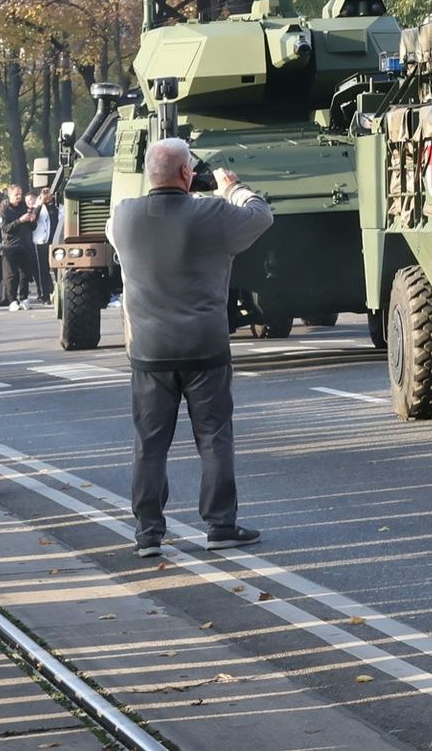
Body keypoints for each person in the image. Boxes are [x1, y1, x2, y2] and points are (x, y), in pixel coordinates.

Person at [111, 137, 274, 553]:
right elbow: (261, 216)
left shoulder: (123, 217)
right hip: (205, 346)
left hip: (149, 352)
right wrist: (232, 187)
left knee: (149, 444)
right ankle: (220, 526)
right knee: (215, 438)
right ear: (188, 173)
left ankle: (148, 533)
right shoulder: (213, 213)